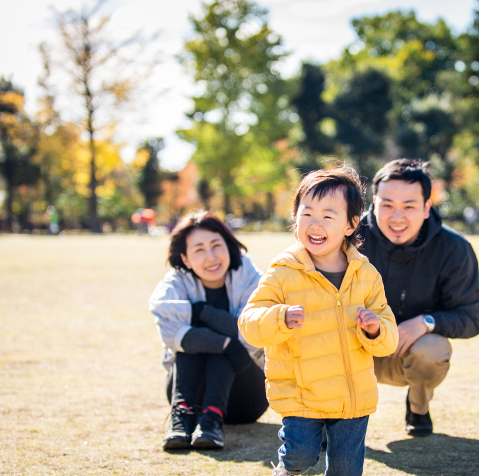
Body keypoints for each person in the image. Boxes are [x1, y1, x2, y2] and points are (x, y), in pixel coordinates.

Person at [239, 166, 399, 476]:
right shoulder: (283, 273)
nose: (315, 223)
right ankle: (288, 471)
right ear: (295, 217)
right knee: (300, 457)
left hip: (352, 395)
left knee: (346, 470)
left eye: (328, 216)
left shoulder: (365, 275)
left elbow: (389, 337)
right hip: (301, 392)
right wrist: (279, 317)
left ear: (351, 224)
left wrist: (376, 328)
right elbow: (249, 323)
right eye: (306, 213)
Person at [356, 159, 479, 437]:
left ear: (427, 208)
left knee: (433, 349)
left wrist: (426, 322)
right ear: (374, 203)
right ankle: (323, 421)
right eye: (387, 205)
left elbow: (471, 318)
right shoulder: (350, 238)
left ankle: (418, 406)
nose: (397, 217)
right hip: (355, 348)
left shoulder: (455, 249)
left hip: (407, 353)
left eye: (409, 206)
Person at [149, 210, 268, 450]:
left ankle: (211, 421)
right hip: (189, 393)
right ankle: (180, 422)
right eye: (199, 250)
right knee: (194, 341)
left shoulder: (249, 276)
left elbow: (252, 333)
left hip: (246, 398)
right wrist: (224, 341)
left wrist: (200, 311)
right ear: (185, 258)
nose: (211, 257)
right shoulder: (175, 282)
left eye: (216, 245)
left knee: (204, 337)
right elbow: (172, 334)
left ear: (228, 245)